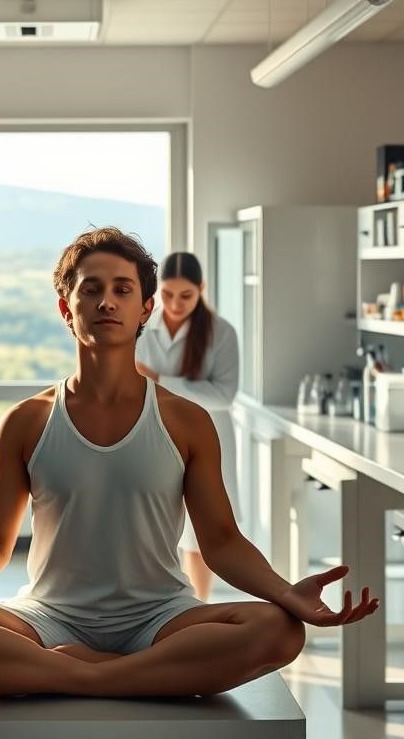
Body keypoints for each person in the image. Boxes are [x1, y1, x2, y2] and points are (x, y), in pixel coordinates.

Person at [0, 228, 378, 698]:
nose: (107, 301)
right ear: (67, 307)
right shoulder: (26, 421)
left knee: (278, 631)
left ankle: (77, 677)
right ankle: (129, 681)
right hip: (47, 618)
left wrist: (285, 592)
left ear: (144, 309)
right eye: (91, 289)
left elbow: (223, 541)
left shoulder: (186, 422)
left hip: (162, 616)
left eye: (123, 289)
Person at [135, 252, 239, 602]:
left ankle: (200, 605)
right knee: (155, 517)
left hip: (210, 433)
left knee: (202, 525)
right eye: (166, 295)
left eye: (186, 296)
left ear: (201, 290)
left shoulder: (221, 333)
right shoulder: (143, 329)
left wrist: (159, 380)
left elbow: (224, 395)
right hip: (153, 432)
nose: (175, 304)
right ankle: (163, 605)